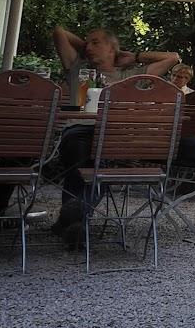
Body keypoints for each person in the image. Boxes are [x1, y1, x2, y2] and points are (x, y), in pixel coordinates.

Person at [49, 25, 182, 236]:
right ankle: (77, 216)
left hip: (116, 139)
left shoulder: (132, 75)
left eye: (96, 42)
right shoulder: (78, 70)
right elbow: (59, 32)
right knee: (80, 151)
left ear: (112, 49)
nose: (89, 46)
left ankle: (75, 214)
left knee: (100, 156)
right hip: (81, 131)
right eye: (87, 42)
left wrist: (135, 56)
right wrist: (87, 48)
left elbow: (173, 58)